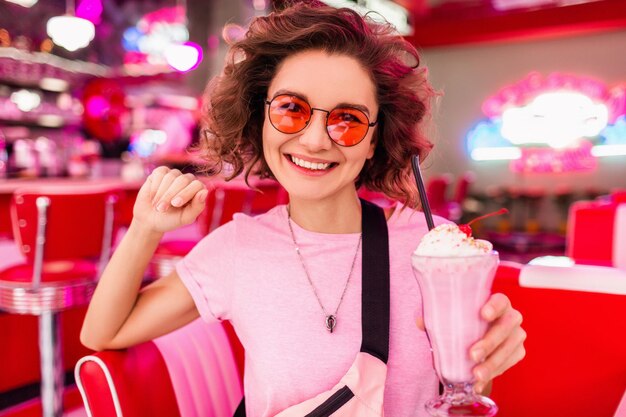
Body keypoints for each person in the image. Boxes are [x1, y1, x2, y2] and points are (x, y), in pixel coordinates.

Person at [81, 2, 526, 416]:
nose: (315, 140)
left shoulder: (437, 250)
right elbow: (102, 333)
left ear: (374, 140)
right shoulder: (238, 249)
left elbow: (466, 389)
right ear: (260, 118)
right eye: (292, 109)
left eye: (347, 119)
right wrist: (145, 228)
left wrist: (488, 357)